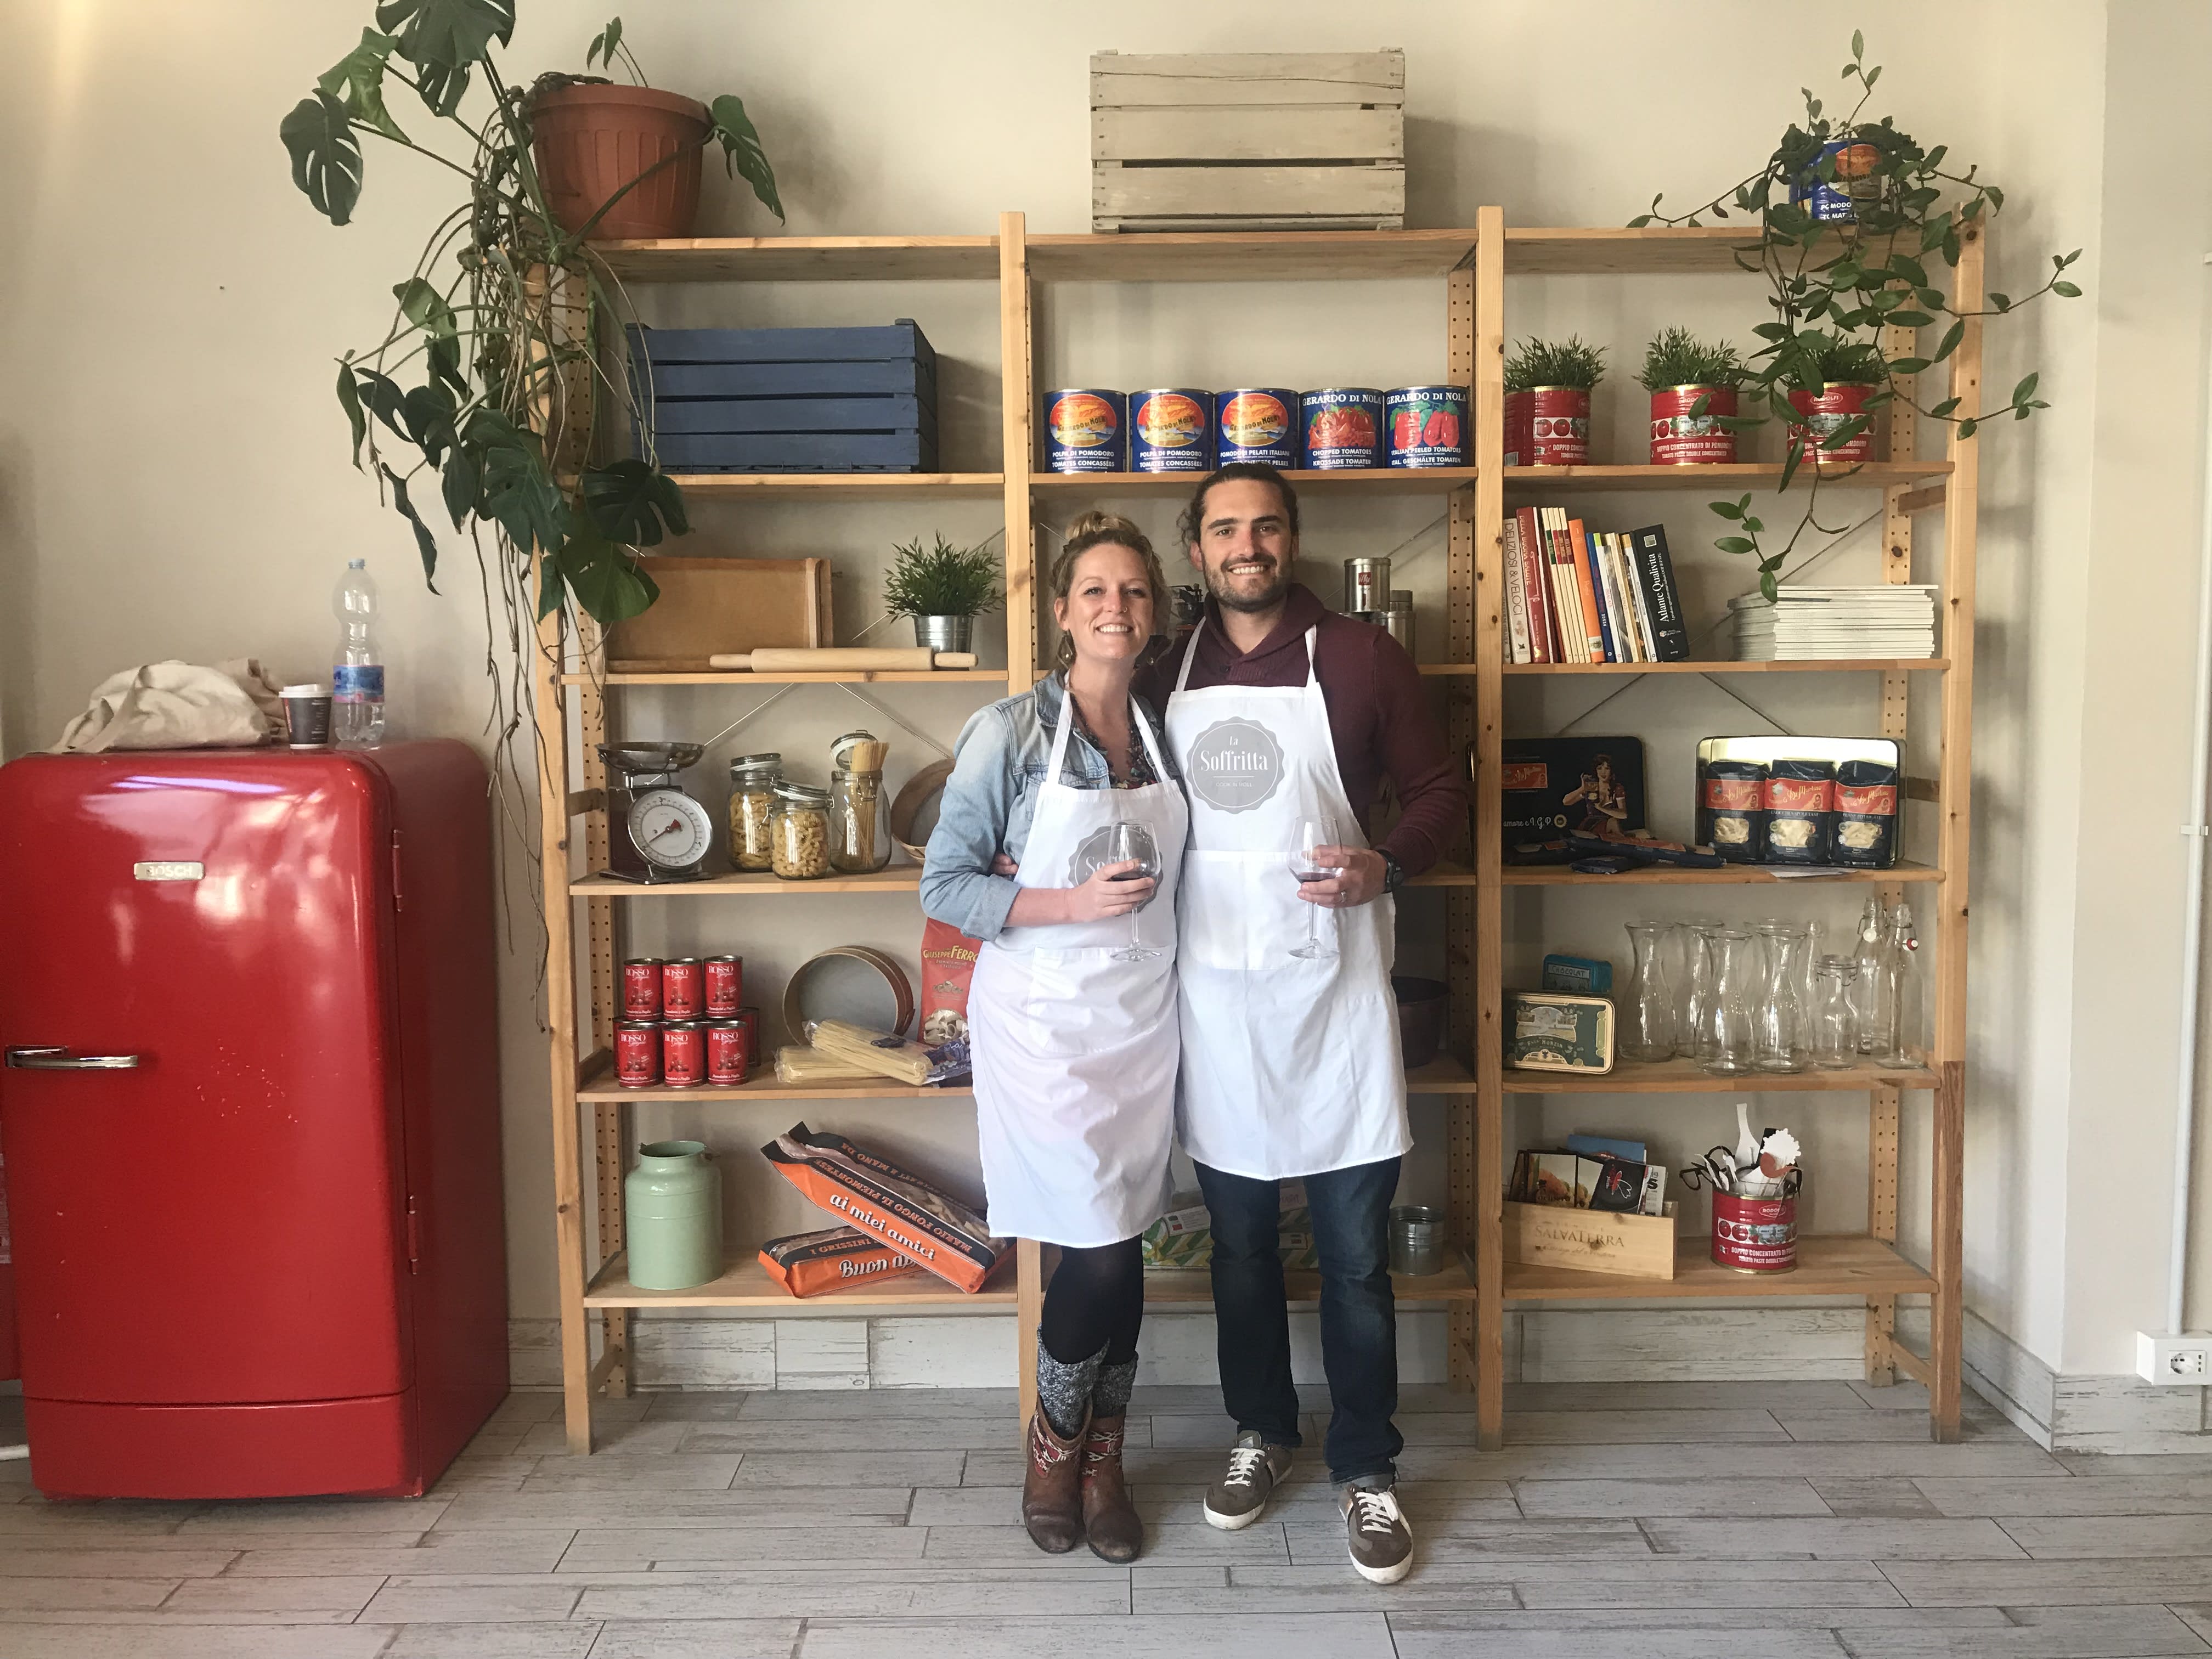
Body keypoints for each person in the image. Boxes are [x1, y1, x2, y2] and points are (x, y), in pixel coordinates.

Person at [1136, 461, 1469, 1585]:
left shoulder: (1363, 656)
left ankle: (1367, 1467)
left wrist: (1386, 863)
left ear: (1294, 538)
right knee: (1236, 1250)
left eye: (1266, 526)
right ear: (1196, 551)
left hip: (1331, 1003)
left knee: (1353, 1260)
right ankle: (1260, 1434)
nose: (1248, 545)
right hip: (1214, 1002)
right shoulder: (1157, 669)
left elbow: (1441, 795)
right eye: (1226, 528)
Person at [920, 512, 1187, 1564]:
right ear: (1064, 614)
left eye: (1133, 592)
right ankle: (1060, 1446)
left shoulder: (1164, 729)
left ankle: (1100, 1457)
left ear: (1153, 614)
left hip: (1142, 1020)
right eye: (1095, 593)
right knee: (1105, 1248)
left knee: (1119, 1239)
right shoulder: (1012, 732)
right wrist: (1072, 907)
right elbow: (945, 885)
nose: (1115, 608)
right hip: (1043, 1023)